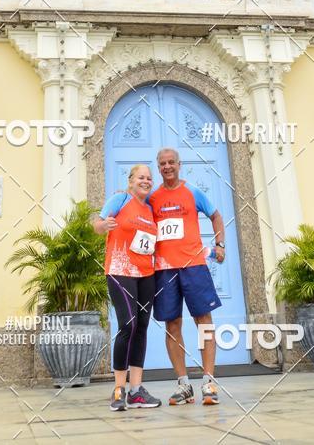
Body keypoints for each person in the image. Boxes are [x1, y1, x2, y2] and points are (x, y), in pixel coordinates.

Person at [149, 148, 225, 406]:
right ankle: (183, 385)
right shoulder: (153, 198)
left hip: (194, 267)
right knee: (172, 326)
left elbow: (216, 216)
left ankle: (209, 382)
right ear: (158, 168)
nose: (167, 166)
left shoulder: (192, 191)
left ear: (179, 165)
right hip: (164, 270)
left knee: (204, 323)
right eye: (162, 164)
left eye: (171, 162)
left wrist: (220, 245)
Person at [93, 165, 161, 412]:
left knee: (141, 327)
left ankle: (136, 391)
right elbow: (97, 224)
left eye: (149, 178)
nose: (146, 181)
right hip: (120, 271)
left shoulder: (151, 209)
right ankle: (119, 388)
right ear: (131, 181)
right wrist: (104, 226)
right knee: (128, 325)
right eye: (141, 177)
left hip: (146, 274)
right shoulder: (120, 199)